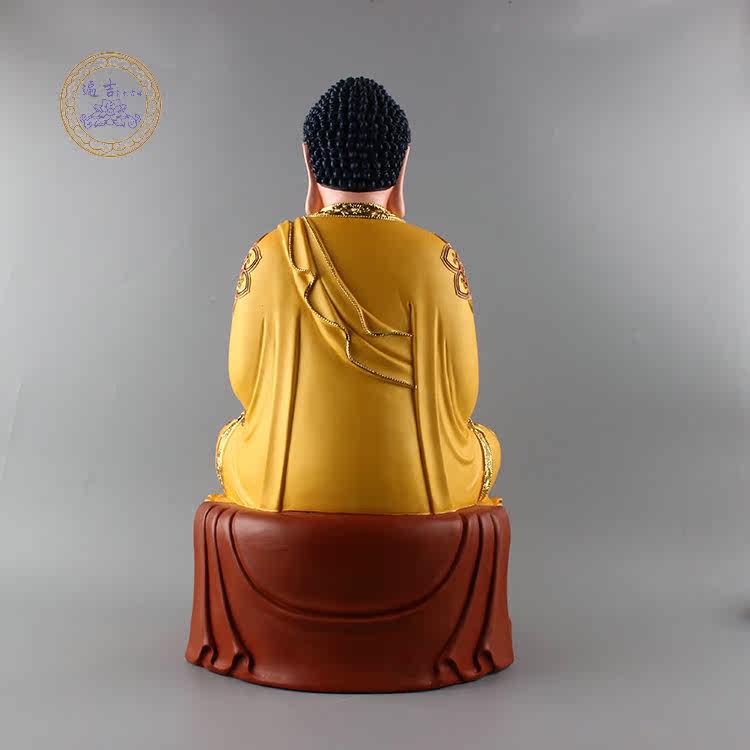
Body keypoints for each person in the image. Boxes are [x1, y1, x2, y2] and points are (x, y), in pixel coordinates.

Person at [213, 76, 501, 514]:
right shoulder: (437, 257)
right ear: (402, 168)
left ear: (309, 165)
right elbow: (464, 394)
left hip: (284, 486)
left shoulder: (271, 252)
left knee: (230, 437)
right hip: (418, 489)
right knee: (486, 443)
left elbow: (243, 380)